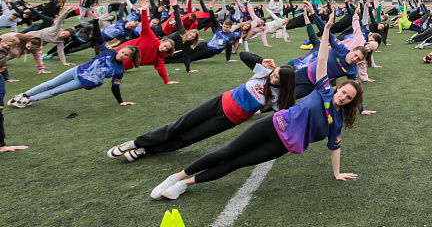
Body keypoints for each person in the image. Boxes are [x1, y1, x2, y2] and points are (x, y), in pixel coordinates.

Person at [149, 12, 364, 200]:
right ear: (339, 88)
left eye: (349, 98)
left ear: (351, 103)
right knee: (227, 151)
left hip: (282, 146)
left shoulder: (336, 122)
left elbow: (334, 148)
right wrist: (326, 29)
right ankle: (175, 177)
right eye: (344, 91)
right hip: (272, 125)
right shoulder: (323, 89)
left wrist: (337, 173)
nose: (344, 96)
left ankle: (183, 185)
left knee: (236, 163)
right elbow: (324, 56)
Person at [107, 52, 296, 161]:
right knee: (179, 125)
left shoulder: (279, 99)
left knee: (188, 138)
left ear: (285, 84)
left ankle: (146, 150)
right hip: (218, 102)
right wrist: (260, 60)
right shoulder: (264, 72)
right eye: (274, 72)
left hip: (228, 120)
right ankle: (135, 143)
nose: (272, 76)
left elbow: (284, 119)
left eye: (277, 77)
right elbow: (244, 55)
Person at [8, 8, 142, 107]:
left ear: (128, 58)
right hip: (77, 70)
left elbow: (115, 86)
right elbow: (97, 36)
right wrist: (96, 20)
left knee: (55, 91)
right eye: (122, 51)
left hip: (85, 82)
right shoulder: (108, 51)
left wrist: (121, 101)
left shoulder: (119, 70)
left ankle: (28, 100)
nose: (122, 54)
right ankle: (25, 94)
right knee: (50, 84)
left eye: (126, 55)